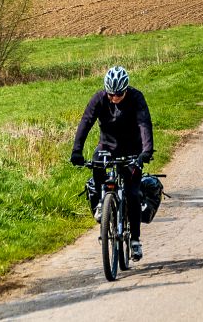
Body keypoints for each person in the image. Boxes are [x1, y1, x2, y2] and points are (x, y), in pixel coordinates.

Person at [70, 66, 154, 261]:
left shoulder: (136, 98)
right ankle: (102, 202)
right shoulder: (99, 98)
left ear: (125, 90)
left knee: (133, 193)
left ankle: (135, 241)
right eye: (110, 94)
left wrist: (146, 151)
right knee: (97, 163)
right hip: (107, 145)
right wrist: (76, 150)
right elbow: (86, 122)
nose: (113, 98)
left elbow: (144, 124)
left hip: (132, 149)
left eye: (118, 95)